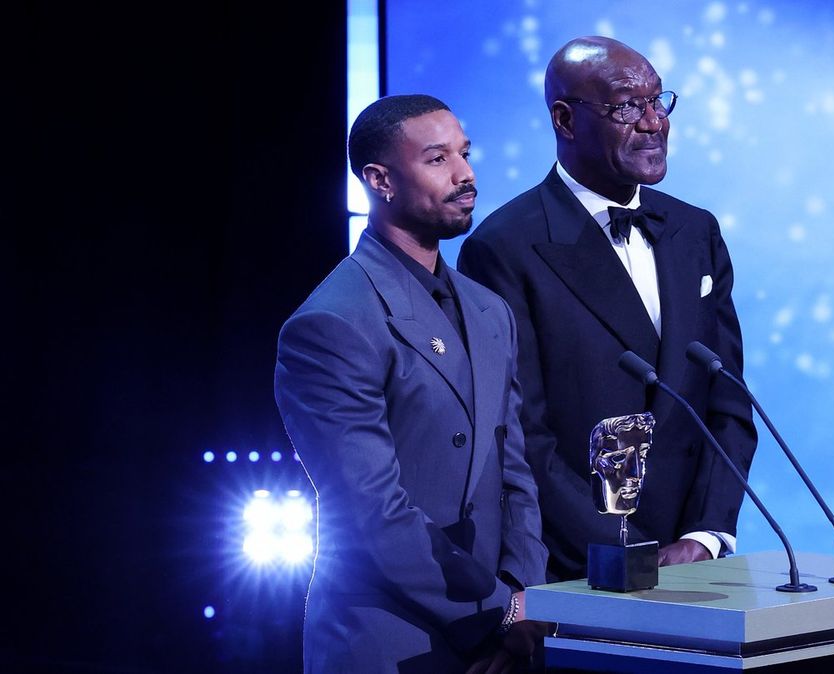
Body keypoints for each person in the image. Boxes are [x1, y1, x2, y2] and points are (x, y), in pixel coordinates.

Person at [457, 36, 758, 583]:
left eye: (657, 101)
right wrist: (625, 550)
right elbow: (523, 434)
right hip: (580, 568)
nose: (654, 123)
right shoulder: (504, 248)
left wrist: (706, 534)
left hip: (695, 565)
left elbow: (727, 399)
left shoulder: (696, 231)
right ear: (566, 120)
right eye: (626, 107)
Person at [274, 94, 550, 674]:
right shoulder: (333, 322)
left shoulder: (489, 309)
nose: (465, 174)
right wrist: (499, 612)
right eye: (437, 158)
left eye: (465, 153)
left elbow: (514, 473)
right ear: (380, 180)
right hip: (390, 641)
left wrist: (524, 596)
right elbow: (370, 510)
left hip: (505, 641)